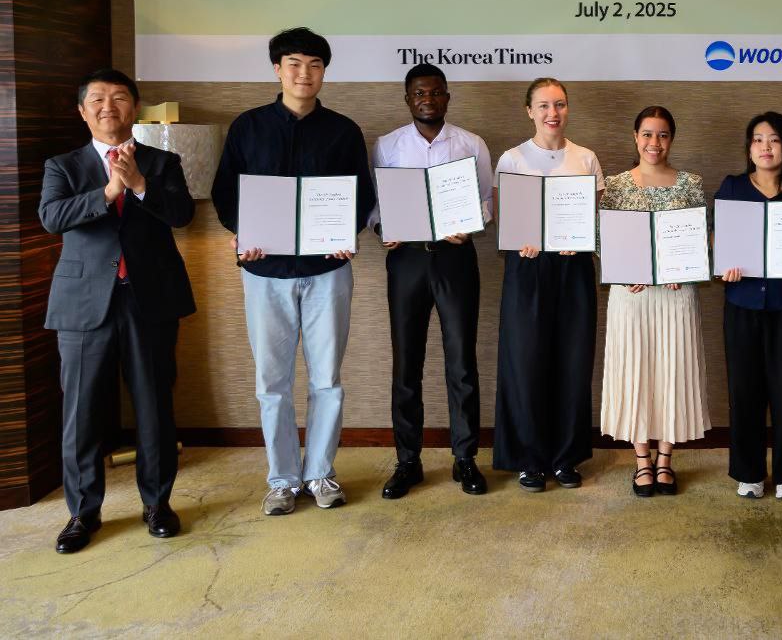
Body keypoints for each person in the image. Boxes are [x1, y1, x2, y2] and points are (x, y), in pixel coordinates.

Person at [210, 27, 375, 515]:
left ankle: (321, 473)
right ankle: (282, 479)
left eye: (315, 65)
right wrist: (241, 233)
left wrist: (349, 234)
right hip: (264, 273)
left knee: (327, 378)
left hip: (328, 271)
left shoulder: (344, 130)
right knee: (272, 382)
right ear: (278, 69)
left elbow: (361, 194)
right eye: (295, 64)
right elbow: (226, 193)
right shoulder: (248, 126)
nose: (305, 74)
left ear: (325, 72)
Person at [40, 68, 195, 553]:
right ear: (83, 111)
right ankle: (83, 514)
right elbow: (51, 217)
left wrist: (140, 184)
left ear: (135, 108)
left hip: (150, 300)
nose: (110, 107)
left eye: (121, 98)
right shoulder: (62, 166)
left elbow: (182, 215)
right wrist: (108, 192)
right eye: (99, 100)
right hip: (84, 303)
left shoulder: (162, 161)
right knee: (82, 412)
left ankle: (157, 503)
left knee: (154, 406)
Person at [371, 63, 492, 497]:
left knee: (461, 363)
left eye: (435, 92)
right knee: (407, 365)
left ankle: (465, 459)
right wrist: (383, 229)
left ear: (446, 96)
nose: (427, 99)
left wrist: (472, 222)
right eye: (419, 93)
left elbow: (486, 201)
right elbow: (377, 204)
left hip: (455, 258)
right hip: (406, 263)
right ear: (408, 99)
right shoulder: (387, 146)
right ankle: (408, 461)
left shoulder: (471, 143)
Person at [493, 78, 603, 492]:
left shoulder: (586, 158)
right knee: (526, 363)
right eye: (543, 106)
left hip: (573, 272)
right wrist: (518, 240)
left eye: (559, 104)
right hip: (527, 271)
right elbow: (506, 222)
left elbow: (597, 222)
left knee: (573, 363)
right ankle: (529, 458)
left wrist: (585, 240)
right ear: (529, 111)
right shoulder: (512, 158)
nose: (552, 113)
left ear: (568, 109)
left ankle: (566, 458)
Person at [599, 106, 710, 497]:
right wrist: (622, 269)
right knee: (637, 372)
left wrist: (687, 268)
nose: (654, 143)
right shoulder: (614, 185)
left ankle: (666, 458)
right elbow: (602, 241)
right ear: (635, 137)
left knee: (672, 371)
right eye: (647, 134)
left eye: (662, 135)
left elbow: (700, 240)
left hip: (676, 296)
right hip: (631, 297)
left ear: (672, 139)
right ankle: (641, 458)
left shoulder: (691, 183)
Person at [716, 112, 782, 500]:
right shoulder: (731, 188)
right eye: (757, 139)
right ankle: (749, 472)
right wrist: (722, 267)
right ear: (749, 148)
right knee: (745, 390)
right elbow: (719, 241)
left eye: (774, 139)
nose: (765, 147)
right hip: (741, 304)